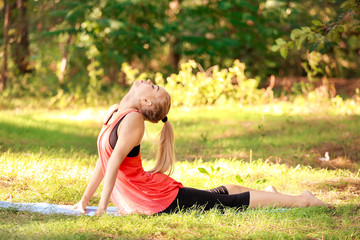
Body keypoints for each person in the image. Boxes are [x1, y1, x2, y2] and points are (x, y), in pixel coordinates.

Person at [73, 80, 330, 216]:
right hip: (149, 196)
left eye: (153, 86)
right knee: (218, 195)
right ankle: (269, 194)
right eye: (154, 83)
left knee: (228, 204)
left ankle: (303, 201)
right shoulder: (117, 112)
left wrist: (104, 208)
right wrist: (84, 202)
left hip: (157, 200)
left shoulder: (133, 120)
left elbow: (115, 164)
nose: (149, 81)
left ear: (146, 100)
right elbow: (104, 162)